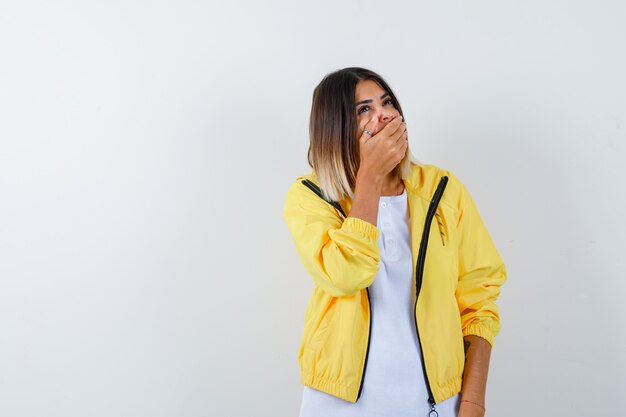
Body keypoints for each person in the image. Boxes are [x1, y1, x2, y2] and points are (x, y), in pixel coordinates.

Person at [282, 67, 507, 417]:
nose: (385, 114)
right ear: (335, 126)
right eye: (364, 109)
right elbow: (345, 275)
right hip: (338, 404)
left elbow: (479, 303)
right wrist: (369, 176)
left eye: (387, 102)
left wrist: (473, 402)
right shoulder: (310, 196)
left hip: (437, 402)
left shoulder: (442, 189)